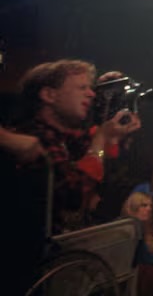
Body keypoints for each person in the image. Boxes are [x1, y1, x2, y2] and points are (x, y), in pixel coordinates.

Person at [15, 59, 141, 233]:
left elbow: (103, 180)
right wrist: (101, 139)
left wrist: (111, 130)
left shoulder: (67, 138)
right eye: (82, 88)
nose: (91, 94)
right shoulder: (33, 137)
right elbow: (74, 198)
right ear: (49, 95)